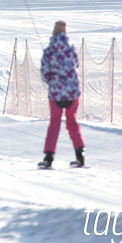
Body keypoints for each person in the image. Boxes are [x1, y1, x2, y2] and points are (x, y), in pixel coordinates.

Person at [39, 20, 85, 168]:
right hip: (73, 92)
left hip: (56, 93)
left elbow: (45, 74)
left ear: (53, 32)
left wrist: (52, 80)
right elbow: (76, 64)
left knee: (54, 123)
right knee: (72, 122)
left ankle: (49, 156)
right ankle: (80, 153)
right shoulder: (72, 49)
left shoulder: (48, 51)